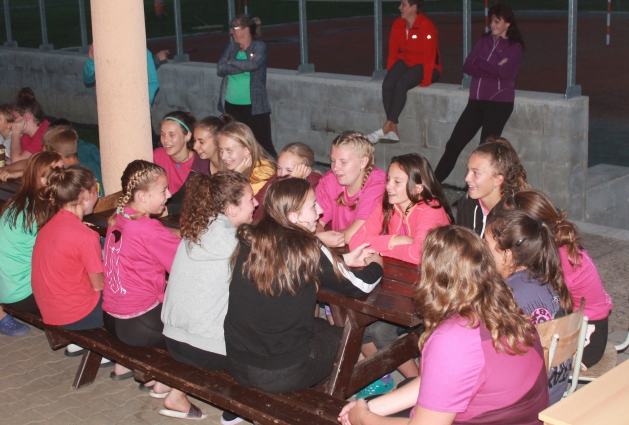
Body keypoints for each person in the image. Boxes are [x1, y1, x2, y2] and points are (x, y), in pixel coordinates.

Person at [339, 226, 548, 425]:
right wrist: (370, 408)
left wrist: (362, 419)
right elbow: (441, 383)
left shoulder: (453, 338)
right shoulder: (503, 308)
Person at [224, 177, 384, 394]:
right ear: (293, 216)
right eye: (313, 206)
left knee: (321, 326)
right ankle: (337, 396)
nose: (320, 211)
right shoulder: (307, 246)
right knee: (349, 338)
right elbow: (361, 285)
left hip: (238, 363)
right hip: (279, 373)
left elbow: (297, 262)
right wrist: (376, 263)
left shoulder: (253, 238)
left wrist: (343, 260)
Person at [154, 171, 256, 422]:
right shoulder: (237, 242)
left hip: (173, 339)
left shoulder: (197, 228)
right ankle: (234, 410)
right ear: (232, 209)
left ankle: (175, 390)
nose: (256, 203)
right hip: (208, 351)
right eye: (251, 199)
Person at [350, 153, 453, 398]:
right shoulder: (388, 204)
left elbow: (419, 254)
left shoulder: (431, 209)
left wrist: (382, 246)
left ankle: (418, 386)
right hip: (396, 285)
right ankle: (383, 375)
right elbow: (355, 241)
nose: (389, 186)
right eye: (388, 179)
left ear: (417, 188)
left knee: (380, 331)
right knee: (358, 323)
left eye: (397, 182)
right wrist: (397, 240)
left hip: (430, 290)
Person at [502, 190, 613, 368]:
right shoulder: (557, 241)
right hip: (583, 325)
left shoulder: (555, 256)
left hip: (586, 339)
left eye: (507, 222)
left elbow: (538, 300)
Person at [486, 208, 574, 405]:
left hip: (529, 402)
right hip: (555, 390)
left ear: (507, 254)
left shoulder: (508, 295)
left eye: (486, 244)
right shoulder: (543, 277)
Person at [102, 160, 179, 381]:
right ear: (143, 197)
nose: (169, 195)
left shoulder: (118, 215)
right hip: (139, 324)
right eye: (163, 190)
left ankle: (124, 364)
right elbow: (183, 266)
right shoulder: (149, 228)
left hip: (111, 319)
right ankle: (166, 383)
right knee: (196, 326)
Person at [434, 4, 524, 182]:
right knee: (454, 144)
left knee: (485, 153)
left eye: (497, 21)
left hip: (499, 103)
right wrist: (491, 66)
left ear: (507, 23)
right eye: (491, 21)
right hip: (476, 102)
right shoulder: (484, 41)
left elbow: (504, 72)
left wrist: (480, 63)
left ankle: (474, 193)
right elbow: (468, 66)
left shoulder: (515, 46)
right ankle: (433, 184)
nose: (492, 25)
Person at [0, 152, 63, 334]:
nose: (63, 174)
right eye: (58, 170)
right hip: (21, 295)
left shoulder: (20, 201)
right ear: (43, 180)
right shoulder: (42, 211)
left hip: (3, 287)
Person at [31, 166, 103, 330]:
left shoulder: (49, 224)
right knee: (133, 295)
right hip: (77, 315)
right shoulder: (86, 235)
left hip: (50, 309)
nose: (97, 195)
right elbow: (99, 285)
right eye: (96, 189)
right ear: (86, 194)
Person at [367, 0, 442, 145]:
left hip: (428, 66)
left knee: (401, 84)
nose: (399, 8)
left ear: (413, 7)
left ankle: (386, 127)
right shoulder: (398, 24)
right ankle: (393, 129)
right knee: (388, 85)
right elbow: (393, 52)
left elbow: (429, 56)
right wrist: (391, 73)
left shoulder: (426, 25)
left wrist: (426, 80)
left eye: (403, 5)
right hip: (407, 62)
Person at [217, 14, 276, 156]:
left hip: (255, 107)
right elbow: (220, 68)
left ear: (245, 30)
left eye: (234, 28)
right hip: (231, 105)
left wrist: (232, 62)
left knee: (263, 145)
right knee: (235, 143)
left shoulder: (259, 46)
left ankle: (275, 169)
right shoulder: (232, 47)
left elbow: (254, 65)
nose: (231, 32)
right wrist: (245, 65)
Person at [316, 131, 386, 246]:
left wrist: (319, 238)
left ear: (363, 162)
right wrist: (319, 235)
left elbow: (355, 235)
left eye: (343, 162)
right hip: (343, 250)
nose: (335, 168)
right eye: (333, 161)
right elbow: (313, 223)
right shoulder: (329, 180)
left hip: (374, 251)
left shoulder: (378, 184)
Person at [455, 137, 529, 237]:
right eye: (468, 170)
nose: (467, 178)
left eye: (476, 173)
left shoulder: (512, 217)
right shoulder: (466, 204)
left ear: (497, 179)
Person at [153, 111, 209, 215]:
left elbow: (200, 203)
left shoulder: (200, 162)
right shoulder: (157, 155)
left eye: (171, 135)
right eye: (163, 134)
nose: (165, 140)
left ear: (187, 136)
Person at [253, 142, 323, 222]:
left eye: (289, 170)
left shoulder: (316, 184)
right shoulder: (276, 178)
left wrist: (295, 182)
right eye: (279, 168)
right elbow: (257, 207)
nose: (282, 174)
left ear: (306, 169)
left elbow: (284, 217)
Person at [83, 43, 168, 105]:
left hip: (136, 107)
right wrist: (91, 61)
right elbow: (88, 79)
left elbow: (153, 82)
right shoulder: (104, 48)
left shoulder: (141, 50)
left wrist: (140, 104)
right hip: (110, 108)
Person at [217, 121, 275, 195]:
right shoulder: (231, 166)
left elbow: (229, 199)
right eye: (221, 150)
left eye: (229, 150)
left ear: (246, 150)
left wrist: (236, 176)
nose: (223, 157)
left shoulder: (263, 171)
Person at [11, 87, 51, 163]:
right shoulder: (26, 135)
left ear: (26, 117)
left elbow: (16, 161)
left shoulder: (44, 135)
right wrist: (6, 160)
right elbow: (23, 163)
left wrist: (15, 133)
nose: (12, 122)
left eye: (14, 118)